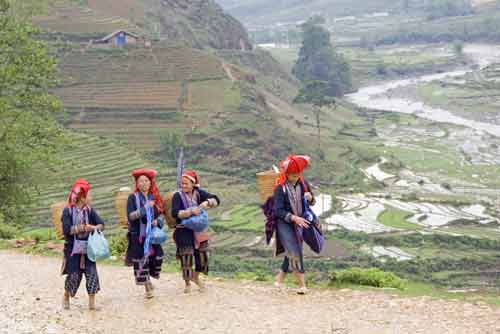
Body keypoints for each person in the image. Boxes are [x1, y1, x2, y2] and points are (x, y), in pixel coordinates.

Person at [272, 155, 316, 294]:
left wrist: (310, 198)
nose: (295, 178)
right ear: (287, 174)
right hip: (285, 222)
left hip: (300, 221)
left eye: (298, 175)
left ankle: (279, 279)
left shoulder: (303, 184)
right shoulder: (280, 188)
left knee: (292, 250)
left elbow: (312, 202)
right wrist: (293, 218)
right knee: (294, 251)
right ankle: (302, 285)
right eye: (292, 176)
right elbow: (277, 210)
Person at [171, 170, 220, 293]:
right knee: (186, 257)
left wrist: (207, 202)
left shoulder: (199, 193)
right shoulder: (178, 196)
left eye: (186, 183)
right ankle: (187, 283)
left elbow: (216, 199)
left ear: (193, 184)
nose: (183, 186)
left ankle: (196, 277)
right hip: (183, 230)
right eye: (182, 183)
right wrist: (191, 212)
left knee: (203, 256)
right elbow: (175, 213)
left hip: (199, 230)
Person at [61, 179, 105, 310]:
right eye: (89, 194)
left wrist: (95, 227)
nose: (90, 197)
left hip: (88, 249)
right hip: (72, 249)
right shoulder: (67, 211)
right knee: (74, 275)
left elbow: (102, 224)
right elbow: (67, 230)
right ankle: (66, 296)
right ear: (81, 197)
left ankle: (92, 304)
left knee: (92, 274)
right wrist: (84, 227)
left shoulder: (90, 211)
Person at [126, 169, 165, 298]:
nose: (143, 183)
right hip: (138, 236)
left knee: (157, 257)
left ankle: (149, 278)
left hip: (152, 236)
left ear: (150, 183)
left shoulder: (154, 197)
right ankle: (147, 286)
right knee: (141, 261)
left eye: (146, 181)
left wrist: (157, 222)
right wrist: (145, 208)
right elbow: (131, 216)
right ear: (137, 184)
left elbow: (161, 214)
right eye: (140, 181)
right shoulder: (132, 198)